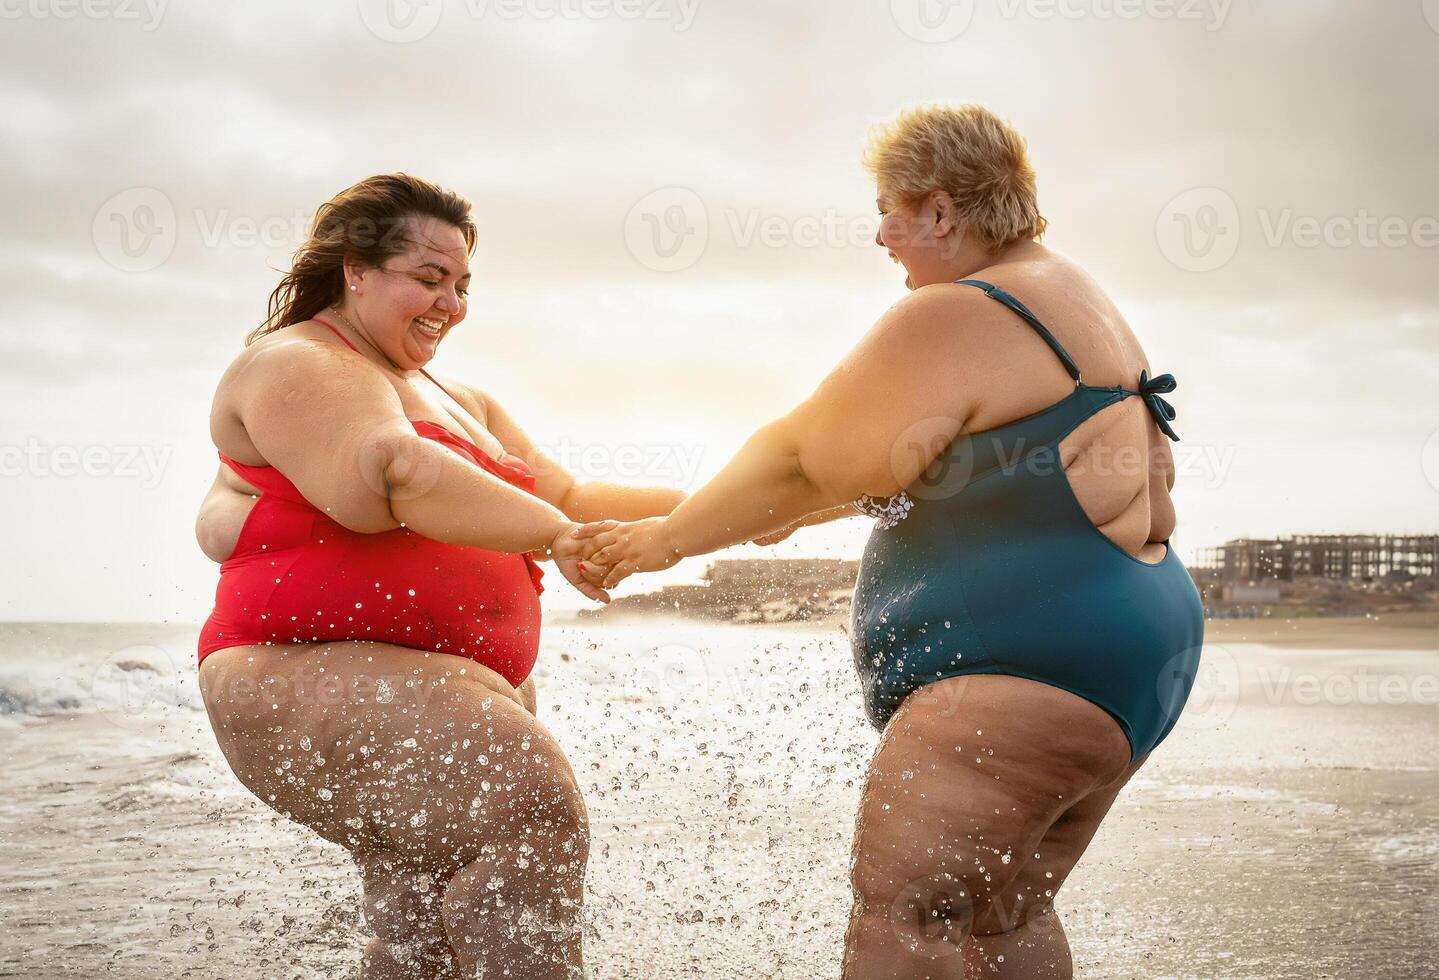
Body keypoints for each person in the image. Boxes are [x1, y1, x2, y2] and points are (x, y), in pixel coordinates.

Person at [576, 104, 1205, 979]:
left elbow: (801, 457)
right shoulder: (1069, 294)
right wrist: (791, 512)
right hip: (1128, 660)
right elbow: (928, 465)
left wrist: (666, 541)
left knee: (906, 918)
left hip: (1027, 667)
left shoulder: (963, 309)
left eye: (889, 211)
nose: (879, 235)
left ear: (942, 212)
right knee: (1001, 913)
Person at [193, 174, 683, 979]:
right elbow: (391, 472)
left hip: (444, 685)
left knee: (420, 937)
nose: (449, 303)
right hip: (297, 672)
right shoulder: (294, 360)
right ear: (355, 269)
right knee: (529, 811)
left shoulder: (466, 401)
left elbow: (569, 494)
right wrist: (558, 536)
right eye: (427, 279)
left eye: (460, 285)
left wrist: (733, 511)